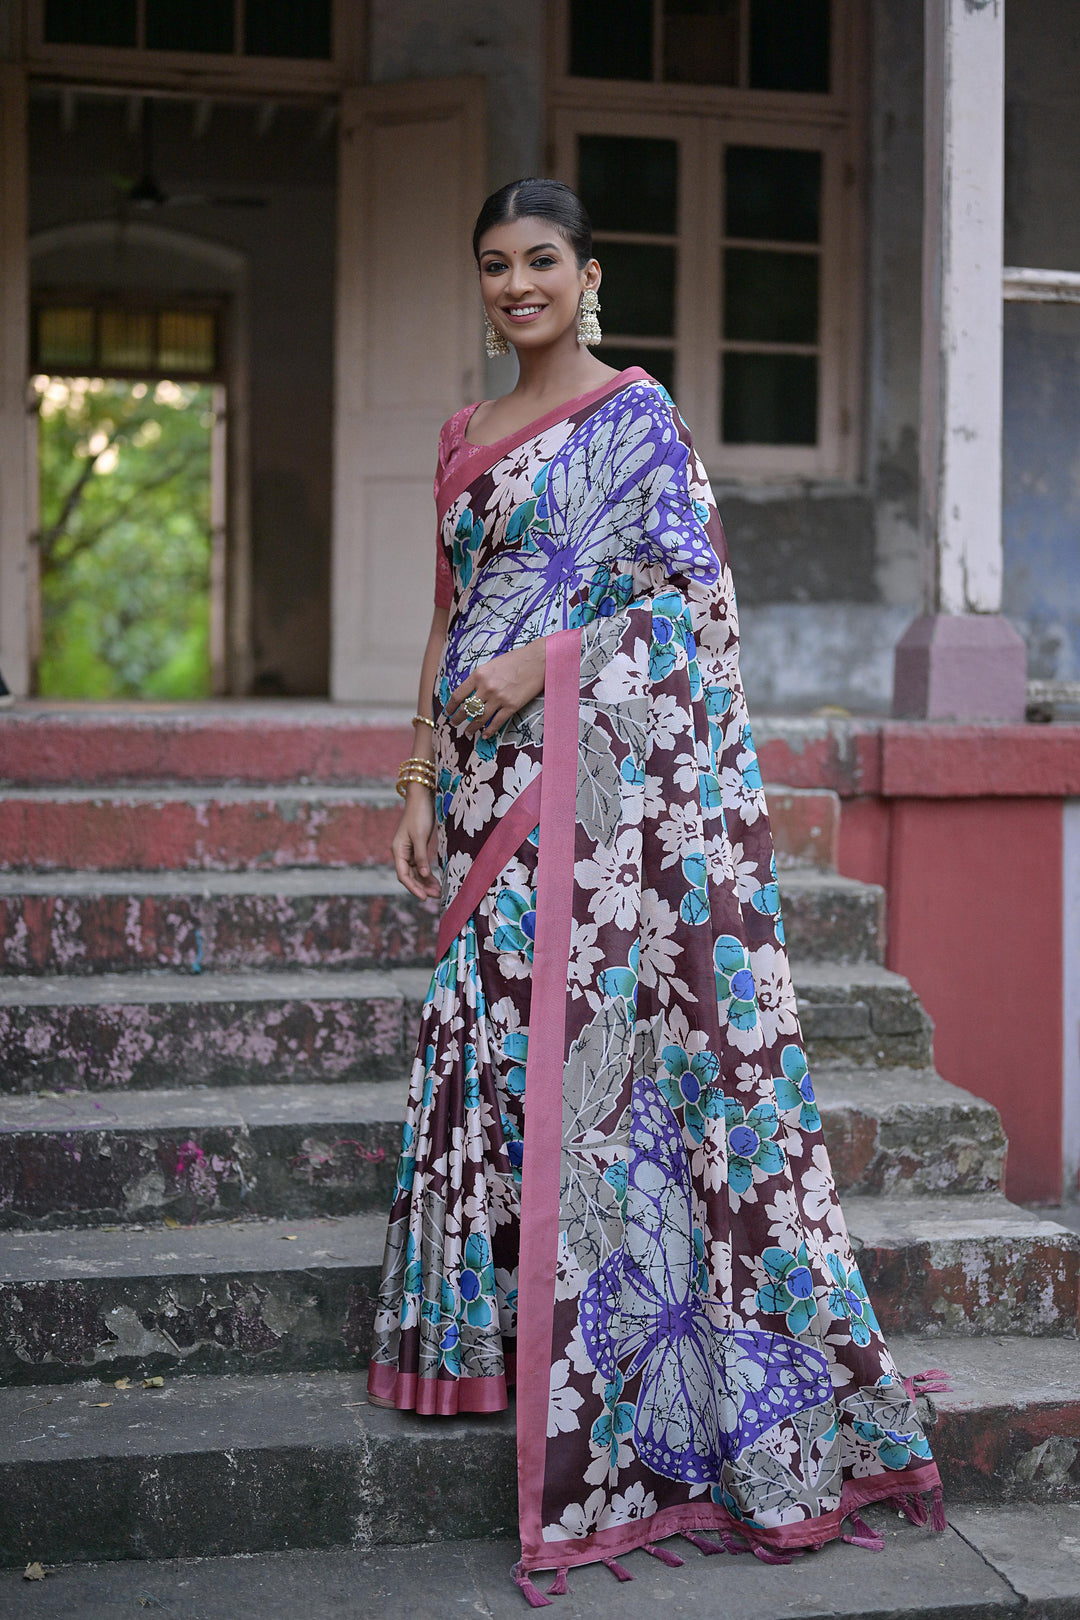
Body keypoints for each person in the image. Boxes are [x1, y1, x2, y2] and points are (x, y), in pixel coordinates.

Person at [369, 178, 942, 1599]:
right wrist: (417, 783)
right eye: (495, 263)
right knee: (486, 1041)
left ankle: (631, 1375)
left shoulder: (634, 421)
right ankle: (482, 1347)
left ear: (589, 273)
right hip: (485, 785)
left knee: (600, 1072)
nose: (516, 285)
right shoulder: (461, 437)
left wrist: (545, 670)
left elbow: (695, 614)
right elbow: (449, 618)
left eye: (540, 261)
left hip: (600, 791)